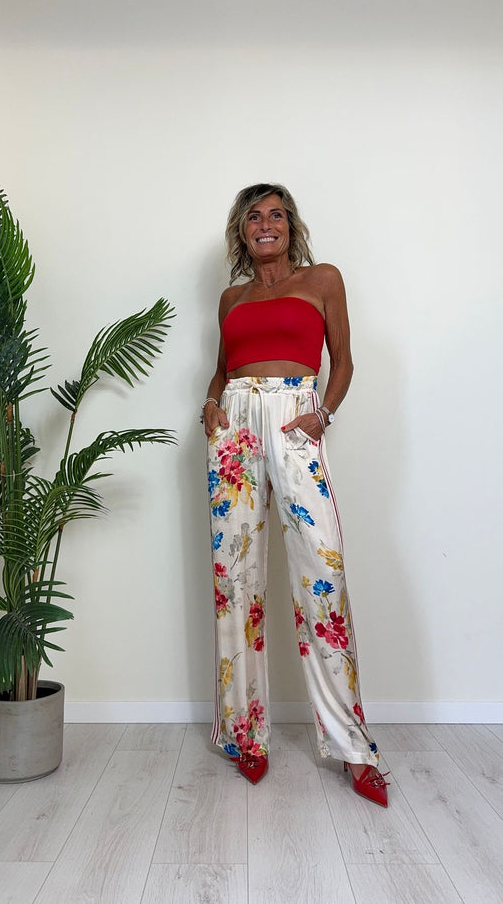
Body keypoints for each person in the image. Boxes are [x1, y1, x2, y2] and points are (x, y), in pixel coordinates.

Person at [202, 183, 388, 807]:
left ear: (291, 226)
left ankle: (352, 746)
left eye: (276, 214)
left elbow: (345, 361)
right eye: (254, 216)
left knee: (322, 575)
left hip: (295, 420)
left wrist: (322, 414)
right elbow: (224, 368)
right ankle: (244, 734)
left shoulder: (322, 279)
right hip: (234, 427)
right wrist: (210, 405)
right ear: (242, 230)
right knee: (235, 579)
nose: (266, 224)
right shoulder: (230, 298)